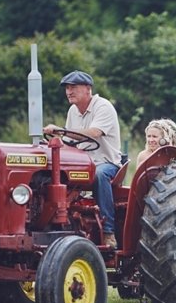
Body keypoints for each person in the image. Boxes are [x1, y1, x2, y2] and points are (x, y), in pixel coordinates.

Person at [44, 70, 122, 248]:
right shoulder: (73, 111)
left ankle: (109, 232)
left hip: (105, 162)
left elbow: (94, 133)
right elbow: (70, 141)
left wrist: (60, 131)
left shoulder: (103, 106)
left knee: (99, 175)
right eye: (67, 88)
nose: (69, 92)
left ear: (88, 89)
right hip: (81, 164)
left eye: (74, 87)